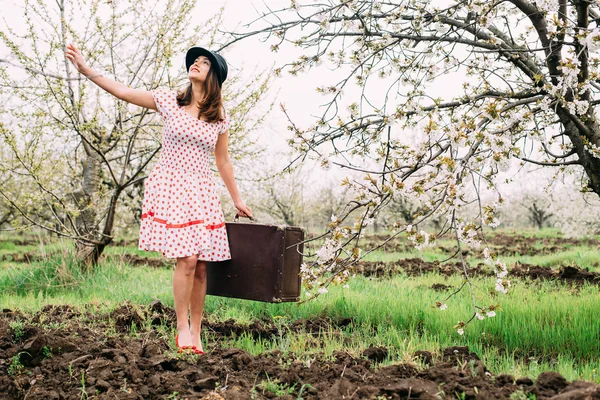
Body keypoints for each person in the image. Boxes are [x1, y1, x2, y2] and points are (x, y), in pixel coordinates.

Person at [65, 43, 253, 355]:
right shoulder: (170, 100)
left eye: (204, 62)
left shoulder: (219, 116)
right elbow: (124, 91)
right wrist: (86, 71)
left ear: (214, 76)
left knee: (203, 267)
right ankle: (181, 327)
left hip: (202, 191)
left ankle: (196, 331)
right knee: (188, 260)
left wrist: (237, 199)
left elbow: (223, 161)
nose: (195, 64)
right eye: (195, 60)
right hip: (172, 185)